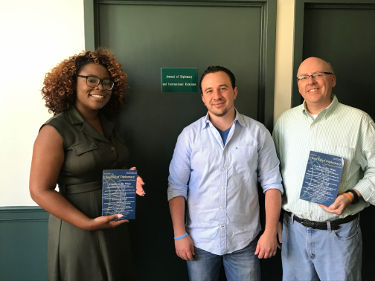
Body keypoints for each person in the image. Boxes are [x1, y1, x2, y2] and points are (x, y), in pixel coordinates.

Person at [29, 48, 145, 281]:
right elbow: (39, 190)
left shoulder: (109, 126)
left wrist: (129, 178)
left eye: (106, 82)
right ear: (71, 83)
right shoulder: (55, 129)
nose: (100, 87)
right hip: (78, 229)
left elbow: (103, 167)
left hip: (113, 224)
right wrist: (88, 224)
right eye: (91, 80)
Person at [167, 66, 283, 281]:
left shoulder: (258, 133)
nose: (217, 96)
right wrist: (179, 234)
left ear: (234, 92)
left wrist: (269, 232)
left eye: (223, 88)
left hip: (245, 242)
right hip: (200, 241)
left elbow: (272, 184)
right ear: (202, 97)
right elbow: (177, 187)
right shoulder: (189, 136)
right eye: (209, 91)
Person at [273, 57, 375, 281]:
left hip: (338, 235)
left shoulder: (359, 121)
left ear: (333, 80)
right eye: (304, 77)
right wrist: (275, 222)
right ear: (298, 84)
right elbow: (275, 175)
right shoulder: (285, 122)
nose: (311, 81)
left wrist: (352, 195)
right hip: (293, 231)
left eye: (318, 75)